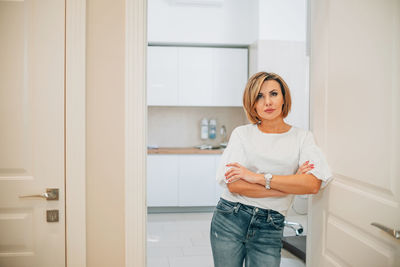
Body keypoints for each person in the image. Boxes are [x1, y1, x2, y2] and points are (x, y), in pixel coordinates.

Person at [210, 72, 332, 267]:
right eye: (260, 96)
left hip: (271, 223)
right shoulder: (242, 134)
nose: (268, 102)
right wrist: (291, 183)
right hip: (230, 217)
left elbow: (312, 184)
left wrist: (254, 177)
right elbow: (234, 185)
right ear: (252, 103)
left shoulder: (302, 138)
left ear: (284, 98)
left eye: (274, 94)